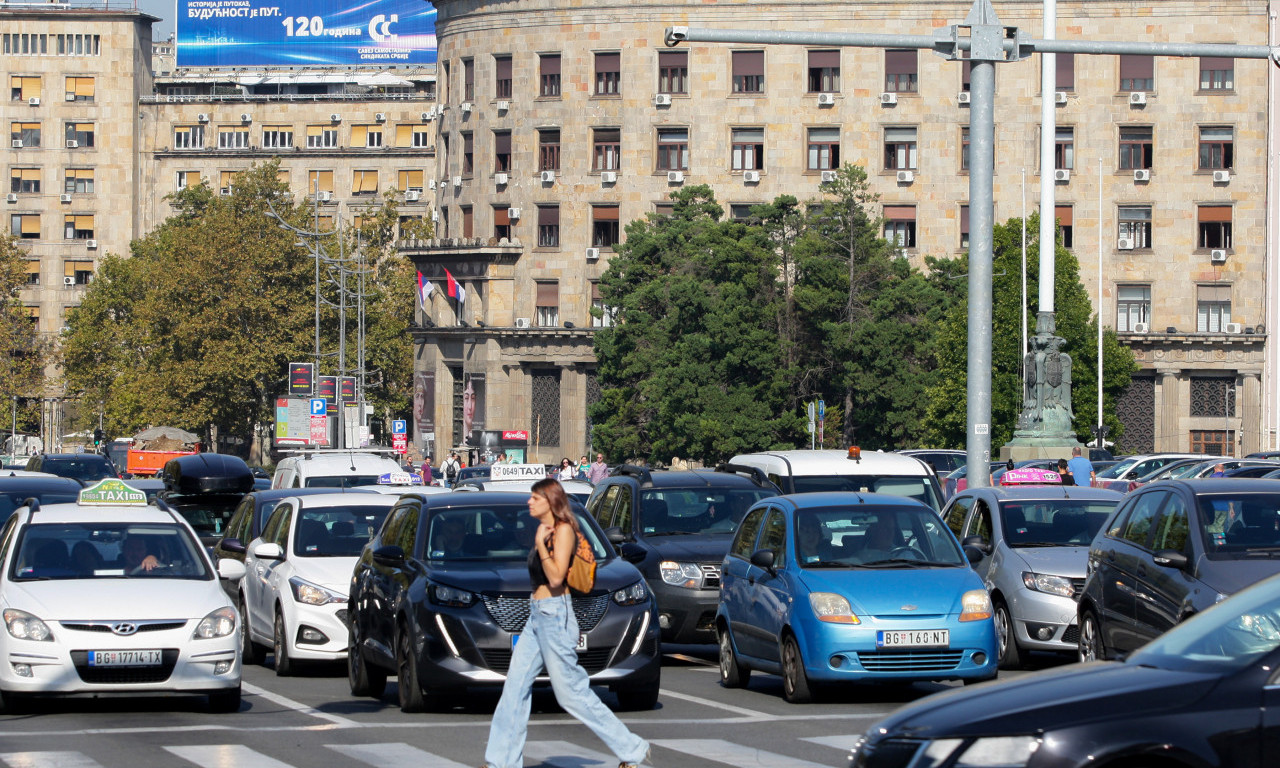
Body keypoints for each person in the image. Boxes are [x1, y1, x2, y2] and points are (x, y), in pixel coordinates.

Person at [481, 479, 649, 768]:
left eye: (535, 498)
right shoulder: (546, 531)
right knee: (515, 687)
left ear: (550, 501)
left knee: (570, 692)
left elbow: (557, 577)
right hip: (537, 614)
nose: (529, 503)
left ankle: (633, 750)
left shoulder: (564, 531)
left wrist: (540, 547)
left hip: (555, 615)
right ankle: (501, 762)